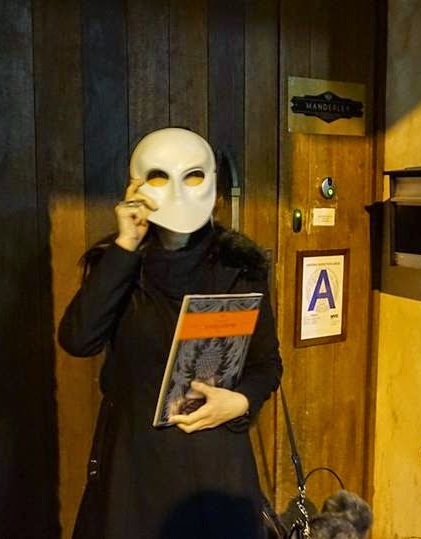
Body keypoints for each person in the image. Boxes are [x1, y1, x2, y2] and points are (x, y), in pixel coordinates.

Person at [58, 127, 283, 539]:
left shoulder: (239, 265)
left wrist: (239, 402)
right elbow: (78, 339)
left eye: (192, 176)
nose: (178, 190)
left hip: (216, 462)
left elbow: (266, 363)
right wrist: (126, 245)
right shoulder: (118, 262)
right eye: (160, 176)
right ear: (136, 186)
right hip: (136, 466)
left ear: (213, 185)